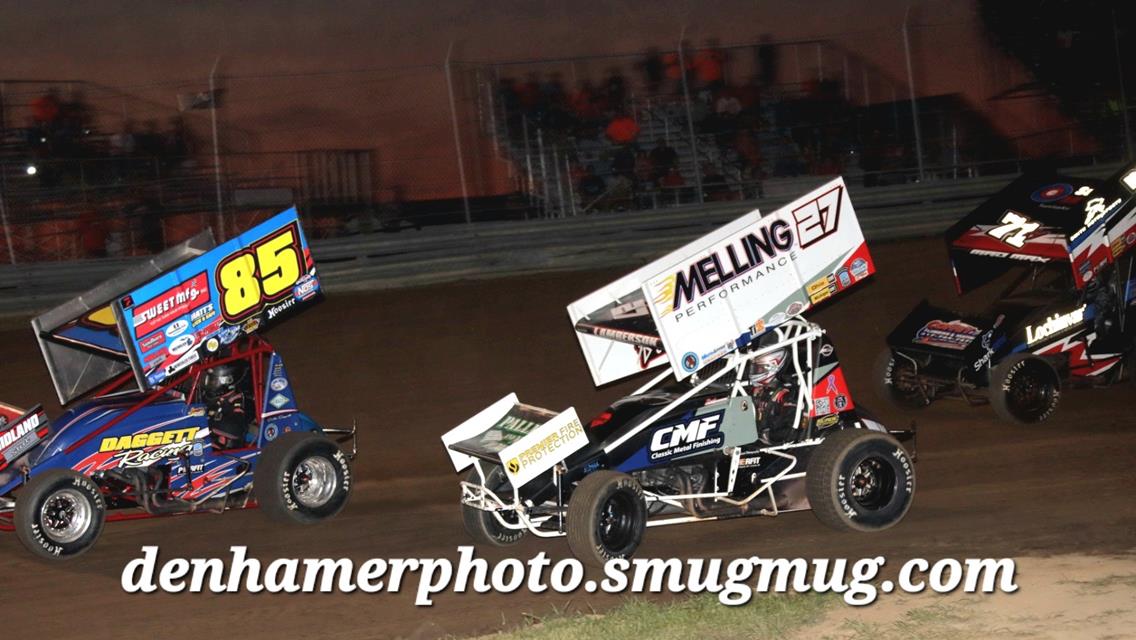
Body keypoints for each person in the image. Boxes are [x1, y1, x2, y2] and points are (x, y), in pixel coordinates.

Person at [202, 362, 252, 449]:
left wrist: (208, 424)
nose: (211, 384)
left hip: (228, 450)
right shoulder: (213, 398)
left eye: (214, 381)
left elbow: (235, 429)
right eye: (210, 381)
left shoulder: (238, 400)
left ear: (228, 381)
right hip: (209, 443)